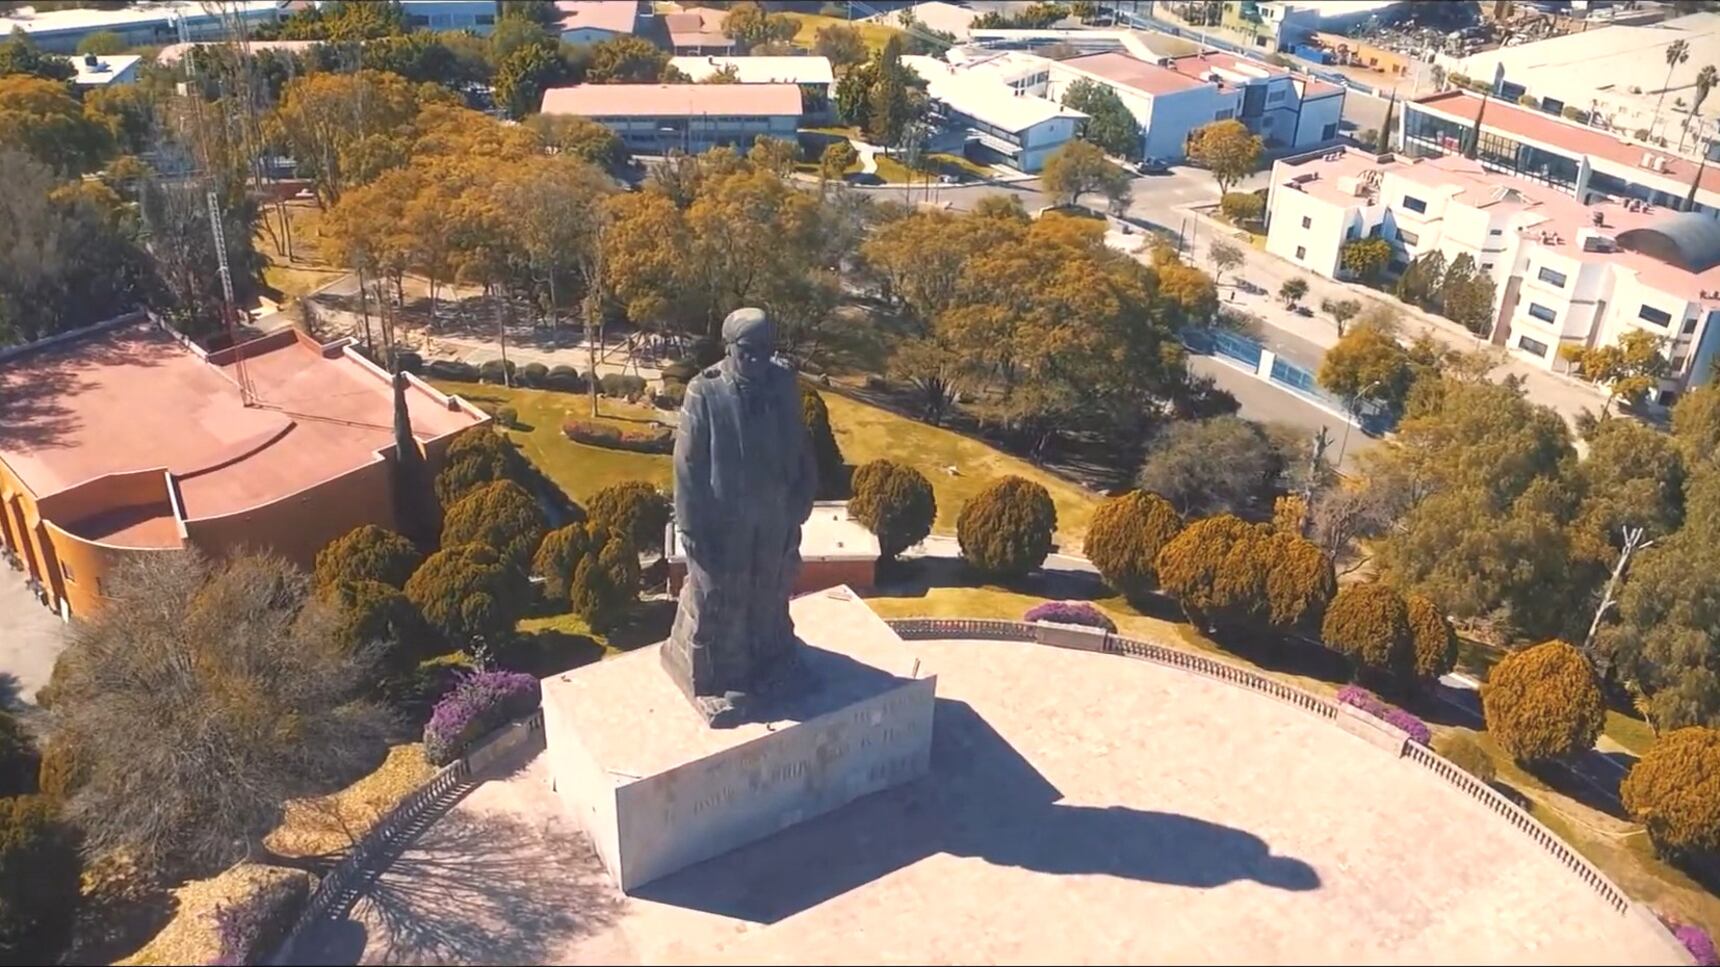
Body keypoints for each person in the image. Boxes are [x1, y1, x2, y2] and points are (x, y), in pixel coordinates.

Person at [661, 308, 818, 726]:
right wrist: (691, 528)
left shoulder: (782, 382)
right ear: (729, 347)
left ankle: (770, 662)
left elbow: (800, 443)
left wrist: (803, 496)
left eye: (765, 349)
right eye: (748, 350)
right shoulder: (705, 391)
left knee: (770, 590)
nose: (757, 358)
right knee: (719, 599)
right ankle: (718, 680)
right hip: (724, 522)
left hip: (774, 516)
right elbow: (687, 465)